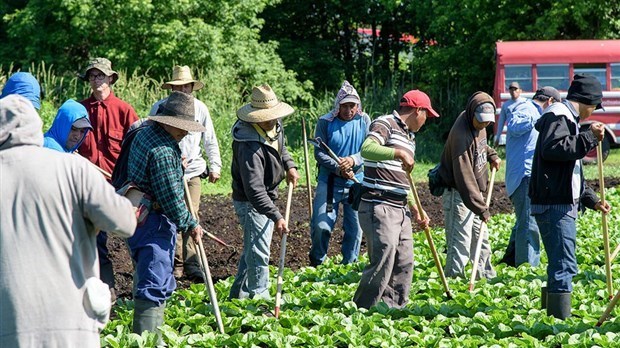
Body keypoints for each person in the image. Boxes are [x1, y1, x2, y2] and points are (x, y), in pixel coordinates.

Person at [0, 94, 136, 347]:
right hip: (71, 317)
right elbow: (124, 222)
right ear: (35, 127)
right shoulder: (73, 168)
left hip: (9, 322)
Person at [530, 74, 611, 319]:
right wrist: (588, 137)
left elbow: (570, 171)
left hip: (559, 200)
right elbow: (553, 149)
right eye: (594, 107)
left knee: (558, 261)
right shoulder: (559, 115)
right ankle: (558, 324)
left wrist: (591, 199)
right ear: (588, 102)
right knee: (564, 264)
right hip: (555, 204)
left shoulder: (566, 118)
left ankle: (550, 317)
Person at [126, 91, 205, 337]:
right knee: (154, 279)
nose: (186, 132)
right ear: (168, 122)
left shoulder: (145, 133)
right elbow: (171, 198)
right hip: (154, 221)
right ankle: (148, 340)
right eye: (182, 127)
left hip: (138, 214)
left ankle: (151, 336)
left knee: (152, 276)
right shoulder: (163, 151)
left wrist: (175, 165)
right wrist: (191, 224)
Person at [353, 89, 437, 309]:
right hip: (378, 203)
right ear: (418, 110)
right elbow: (367, 149)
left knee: (404, 261)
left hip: (401, 207)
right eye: (426, 114)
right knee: (384, 259)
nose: (426, 120)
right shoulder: (385, 123)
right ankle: (363, 309)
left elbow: (402, 179)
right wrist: (398, 153)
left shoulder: (410, 138)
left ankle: (393, 310)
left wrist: (416, 208)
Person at [149, 65, 222, 280]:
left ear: (192, 87)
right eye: (177, 87)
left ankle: (192, 262)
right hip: (167, 170)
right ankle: (176, 263)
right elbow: (150, 132)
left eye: (185, 86)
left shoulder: (200, 109)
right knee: (172, 214)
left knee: (192, 215)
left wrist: (215, 165)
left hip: (193, 170)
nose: (182, 90)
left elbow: (210, 139)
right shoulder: (160, 107)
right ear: (171, 88)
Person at [229, 84, 299, 300]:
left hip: (267, 195)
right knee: (259, 253)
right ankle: (259, 300)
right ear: (255, 117)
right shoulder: (248, 146)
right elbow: (254, 190)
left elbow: (281, 148)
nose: (273, 120)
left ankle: (237, 296)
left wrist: (290, 165)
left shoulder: (274, 125)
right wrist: (276, 216)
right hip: (251, 202)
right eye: (267, 117)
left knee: (254, 247)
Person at [78, 57, 139, 299]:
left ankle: (140, 286)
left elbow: (137, 146)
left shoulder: (124, 110)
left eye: (100, 75)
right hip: (91, 185)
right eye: (92, 76)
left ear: (110, 78)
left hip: (121, 184)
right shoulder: (80, 110)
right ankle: (108, 290)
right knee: (96, 240)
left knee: (133, 236)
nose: (96, 80)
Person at [438, 91, 501, 280]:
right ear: (471, 113)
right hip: (460, 194)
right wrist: (481, 208)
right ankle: (455, 282)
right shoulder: (460, 134)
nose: (484, 125)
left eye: (487, 122)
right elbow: (464, 178)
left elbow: (480, 145)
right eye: (481, 121)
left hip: (475, 194)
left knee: (482, 241)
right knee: (461, 243)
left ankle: (486, 278)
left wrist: (491, 155)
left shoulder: (481, 123)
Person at [309, 81, 371, 266]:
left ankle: (349, 265)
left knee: (355, 229)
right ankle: (317, 262)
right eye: (345, 106)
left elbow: (369, 148)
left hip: (356, 182)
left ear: (357, 106)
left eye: (352, 106)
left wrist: (353, 160)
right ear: (338, 106)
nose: (349, 110)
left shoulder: (364, 120)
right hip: (329, 183)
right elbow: (319, 152)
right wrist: (338, 167)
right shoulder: (325, 122)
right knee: (322, 226)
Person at [499, 86, 561, 267]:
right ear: (549, 102)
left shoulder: (531, 110)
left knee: (524, 223)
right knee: (529, 226)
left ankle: (511, 261)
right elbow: (514, 124)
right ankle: (526, 271)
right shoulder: (527, 109)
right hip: (524, 176)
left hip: (526, 176)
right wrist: (538, 116)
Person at [494, 81, 526, 146]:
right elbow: (501, 122)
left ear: (520, 90)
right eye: (511, 89)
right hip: (511, 135)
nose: (513, 91)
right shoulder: (506, 105)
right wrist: (498, 137)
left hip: (523, 134)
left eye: (515, 89)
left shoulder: (525, 103)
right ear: (509, 91)